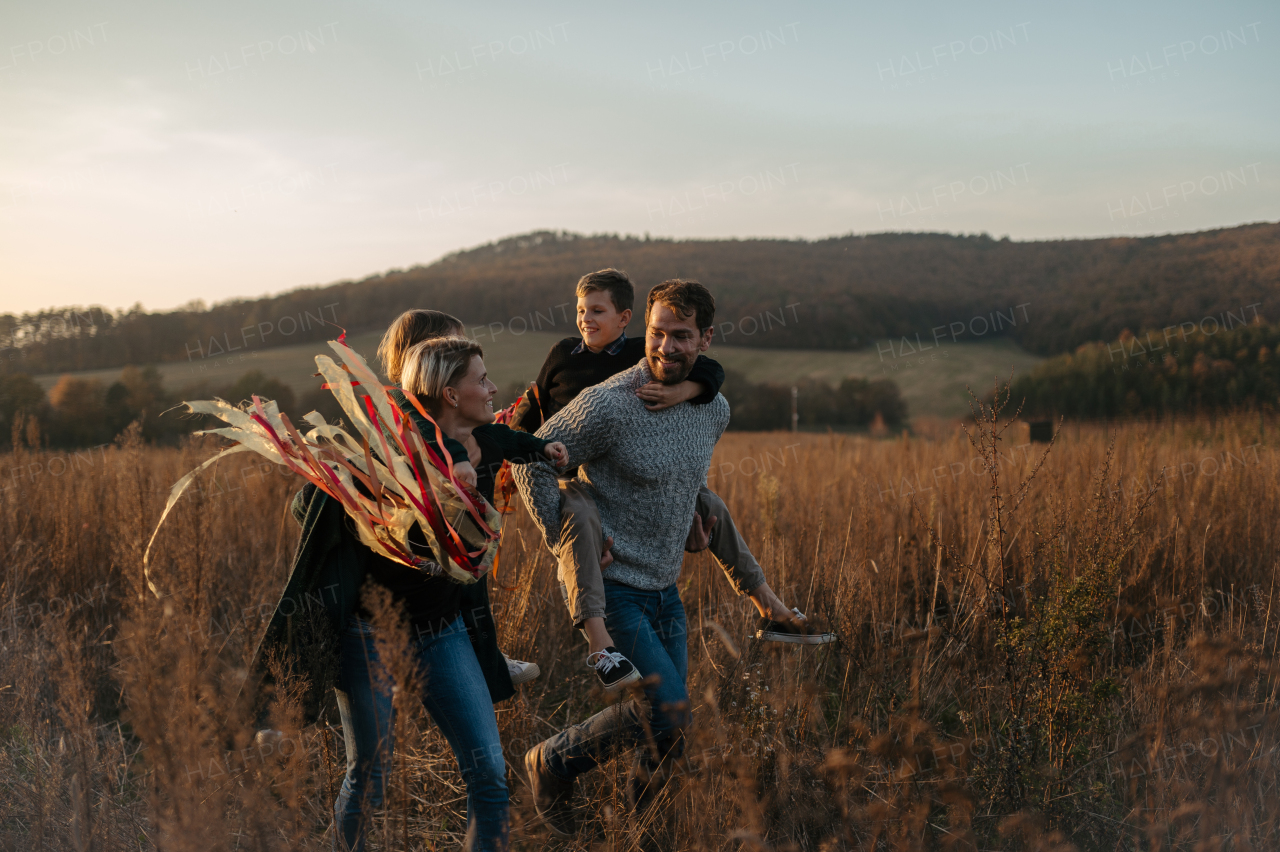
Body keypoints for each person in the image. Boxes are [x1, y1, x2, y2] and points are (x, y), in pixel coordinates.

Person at [514, 279, 833, 836]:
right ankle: (553, 762)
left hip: (667, 589)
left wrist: (688, 516)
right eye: (657, 333)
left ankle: (639, 834)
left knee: (665, 733)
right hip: (616, 590)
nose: (664, 347)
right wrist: (568, 538)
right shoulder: (608, 404)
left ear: (705, 339)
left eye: (681, 336)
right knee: (668, 711)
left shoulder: (713, 410)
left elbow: (684, 473)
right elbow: (529, 460)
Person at [251, 335, 564, 852]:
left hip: (443, 631)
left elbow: (520, 443)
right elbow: (308, 505)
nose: (491, 388)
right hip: (367, 634)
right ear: (449, 393)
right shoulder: (390, 453)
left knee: (489, 775)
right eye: (480, 379)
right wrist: (369, 507)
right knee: (369, 780)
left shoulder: (488, 438)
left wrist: (548, 454)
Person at [377, 309, 541, 687]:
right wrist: (460, 459)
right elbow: (431, 439)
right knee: (467, 583)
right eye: (454, 345)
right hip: (415, 577)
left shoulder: (445, 413)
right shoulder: (407, 413)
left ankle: (488, 658)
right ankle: (487, 662)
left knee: (472, 581)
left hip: (453, 554)